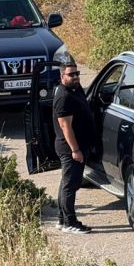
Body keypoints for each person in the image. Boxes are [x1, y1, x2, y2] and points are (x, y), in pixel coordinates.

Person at [52, 60, 93, 234]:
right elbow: (65, 127)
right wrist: (75, 150)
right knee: (70, 185)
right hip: (70, 149)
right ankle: (70, 222)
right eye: (71, 74)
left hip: (77, 147)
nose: (75, 77)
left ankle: (62, 219)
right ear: (62, 77)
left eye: (77, 73)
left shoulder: (75, 90)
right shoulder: (64, 97)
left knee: (67, 184)